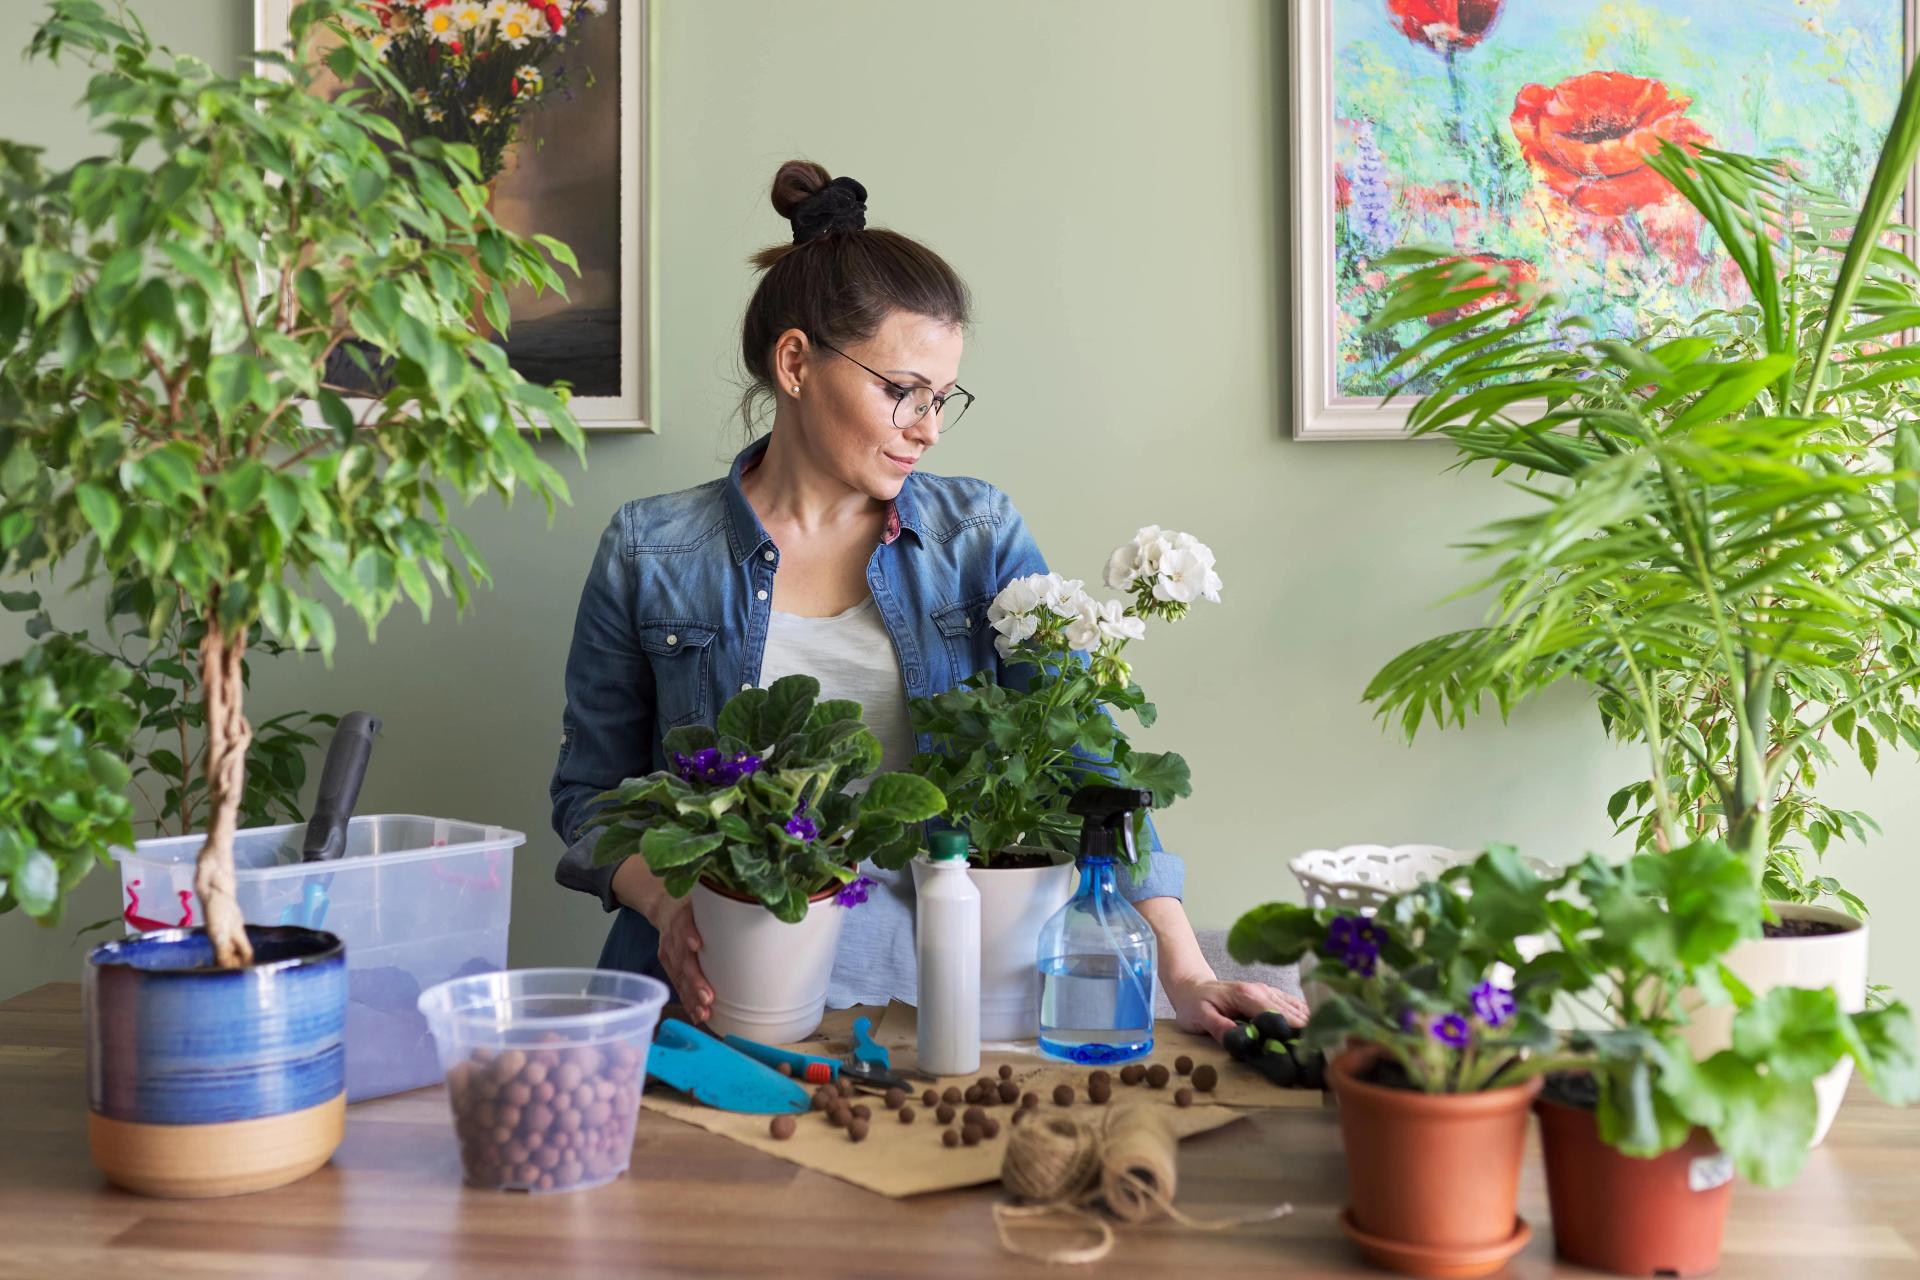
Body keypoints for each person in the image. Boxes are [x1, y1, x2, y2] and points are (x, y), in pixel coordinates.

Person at [551, 160, 1306, 1042]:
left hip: (941, 1003)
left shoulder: (975, 534)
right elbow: (591, 797)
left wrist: (1185, 968)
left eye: (943, 399)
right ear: (796, 363)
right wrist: (670, 903)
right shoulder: (652, 551)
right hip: (710, 995)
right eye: (902, 391)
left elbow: (1089, 761)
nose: (928, 427)